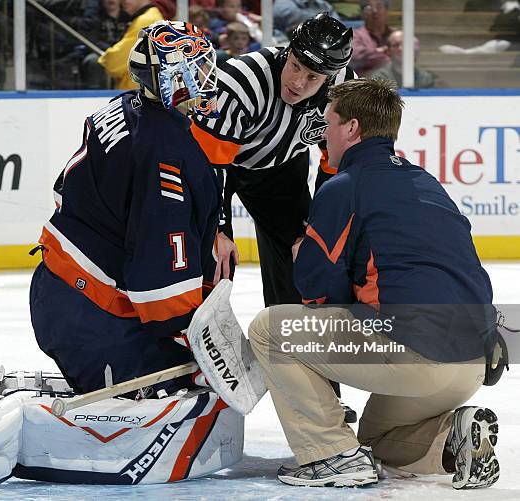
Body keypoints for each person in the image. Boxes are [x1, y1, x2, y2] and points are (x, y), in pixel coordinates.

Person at [248, 78, 502, 489]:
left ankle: (330, 456)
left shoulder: (344, 187)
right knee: (373, 442)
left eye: (328, 121)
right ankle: (454, 439)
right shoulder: (425, 182)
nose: (322, 132)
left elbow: (316, 292)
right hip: (472, 360)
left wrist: (303, 256)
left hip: (413, 352)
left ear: (351, 128)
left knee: (271, 330)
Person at [30, 20, 221, 396]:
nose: (207, 76)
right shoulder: (165, 152)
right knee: (190, 392)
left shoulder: (123, 108)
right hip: (94, 314)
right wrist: (193, 336)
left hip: (62, 289)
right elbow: (160, 266)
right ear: (169, 79)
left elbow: (66, 193)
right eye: (196, 67)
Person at [190, 13, 357, 421]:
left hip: (282, 173)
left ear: (331, 76)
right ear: (287, 53)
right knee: (207, 265)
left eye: (313, 77)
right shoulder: (241, 80)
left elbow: (334, 161)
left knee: (307, 269)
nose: (298, 82)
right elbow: (209, 164)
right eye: (296, 65)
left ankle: (316, 390)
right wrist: (218, 227)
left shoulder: (343, 86)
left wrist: (318, 227)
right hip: (220, 169)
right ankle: (188, 381)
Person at [98, 0, 163, 89]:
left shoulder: (145, 21)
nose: (123, 1)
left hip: (135, 93)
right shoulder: (151, 17)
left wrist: (106, 58)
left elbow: (113, 64)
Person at [350, 0, 392, 76]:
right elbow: (356, 57)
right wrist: (384, 53)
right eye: (369, 8)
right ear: (362, 13)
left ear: (386, 11)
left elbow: (411, 51)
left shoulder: (395, 35)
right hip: (365, 84)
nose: (374, 11)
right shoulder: (355, 35)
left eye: (379, 7)